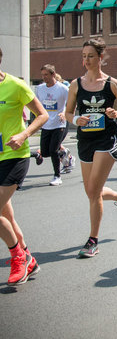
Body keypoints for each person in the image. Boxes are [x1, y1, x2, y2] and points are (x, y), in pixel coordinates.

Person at [64, 38, 117, 258]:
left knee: (93, 192)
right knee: (91, 192)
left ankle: (93, 240)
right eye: (84, 56)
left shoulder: (113, 84)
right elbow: (67, 113)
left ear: (100, 58)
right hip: (85, 140)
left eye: (90, 56)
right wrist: (76, 120)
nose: (86, 60)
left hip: (107, 139)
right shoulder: (76, 84)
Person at [0, 46, 49, 285]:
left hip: (14, 156)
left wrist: (23, 135)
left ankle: (18, 257)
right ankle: (28, 257)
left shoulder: (15, 86)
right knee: (5, 214)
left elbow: (42, 115)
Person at [34, 64, 71, 186]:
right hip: (46, 124)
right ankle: (64, 153)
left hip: (59, 124)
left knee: (53, 150)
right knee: (45, 152)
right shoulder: (40, 88)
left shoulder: (63, 89)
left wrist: (64, 113)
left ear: (53, 74)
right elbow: (38, 106)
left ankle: (57, 176)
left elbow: (71, 104)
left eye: (46, 75)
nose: (44, 77)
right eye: (42, 75)